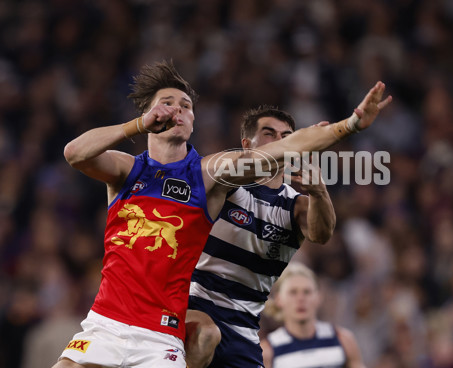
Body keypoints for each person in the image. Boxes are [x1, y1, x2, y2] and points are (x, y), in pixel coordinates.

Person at [53, 60, 391, 367]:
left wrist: (350, 124)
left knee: (207, 335)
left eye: (186, 106)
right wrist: (137, 125)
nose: (177, 110)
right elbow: (74, 153)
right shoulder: (128, 171)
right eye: (167, 103)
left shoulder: (209, 174)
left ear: (193, 121)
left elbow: (288, 150)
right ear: (150, 112)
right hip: (106, 322)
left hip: (163, 335)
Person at [185, 105, 336, 368]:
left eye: (287, 136)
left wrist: (319, 192)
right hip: (194, 305)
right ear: (246, 144)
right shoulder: (226, 184)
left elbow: (322, 235)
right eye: (270, 134)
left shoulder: (296, 205)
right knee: (205, 334)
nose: (280, 142)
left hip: (244, 327)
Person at [260, 262, 366, 368]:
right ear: (279, 299)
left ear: (319, 297)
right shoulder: (268, 351)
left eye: (307, 292)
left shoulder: (343, 340)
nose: (300, 299)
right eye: (293, 292)